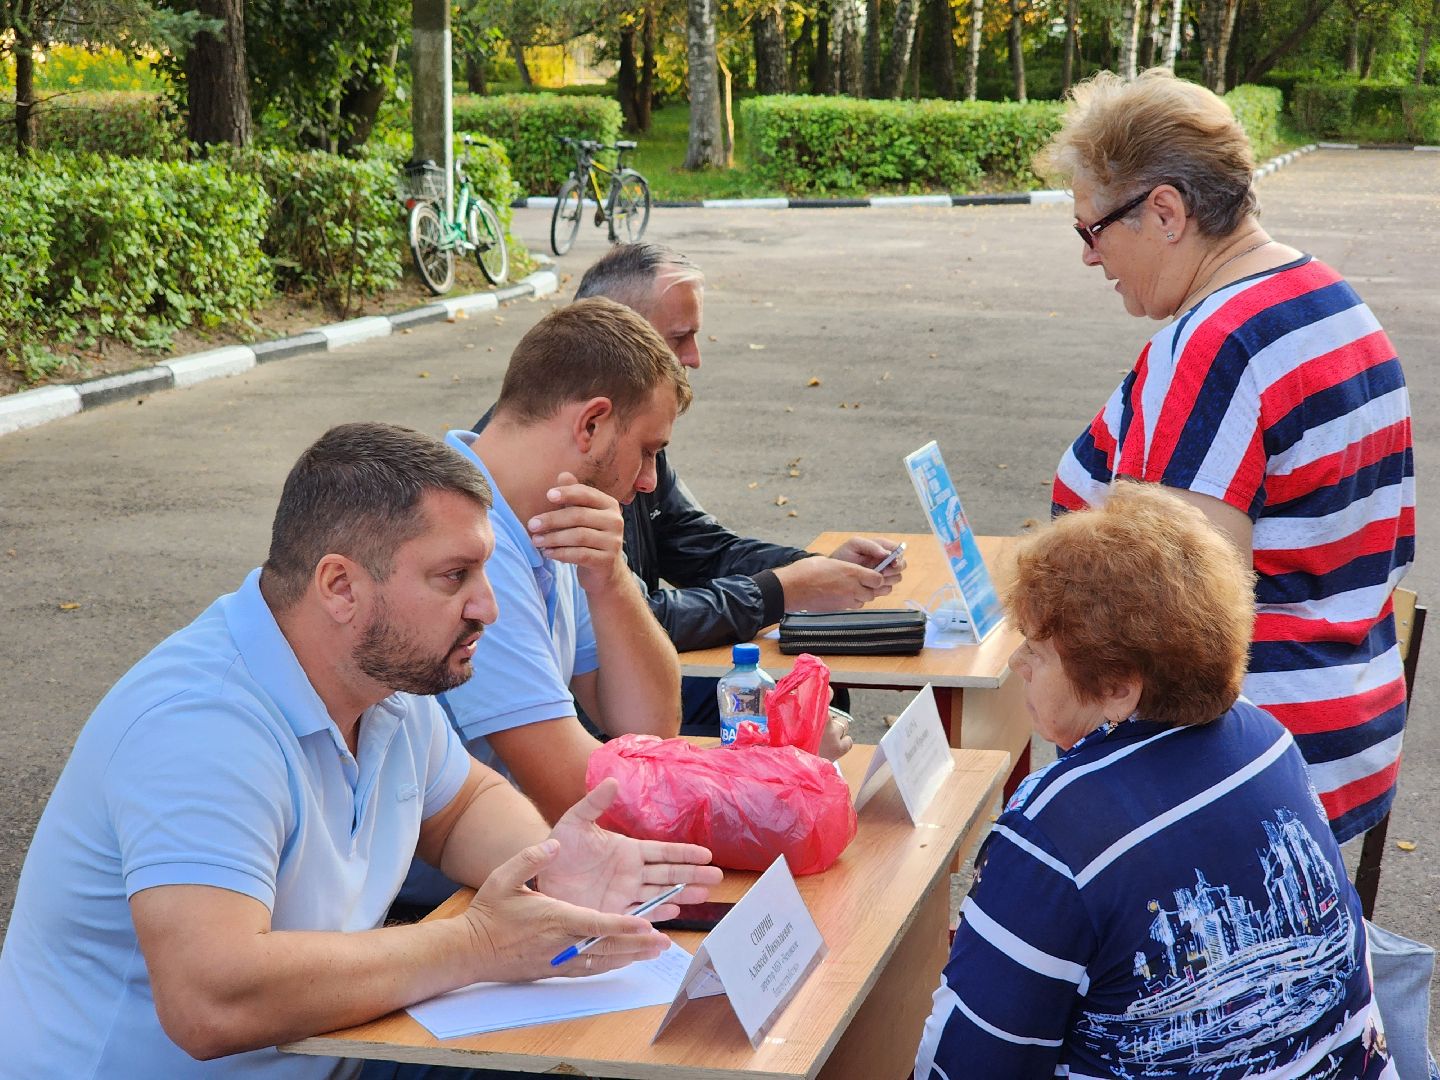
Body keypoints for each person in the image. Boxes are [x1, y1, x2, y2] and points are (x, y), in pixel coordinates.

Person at [0, 422, 720, 1078]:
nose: (487, 607)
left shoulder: (381, 681)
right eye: (453, 576)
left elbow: (463, 803)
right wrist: (476, 945)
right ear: (340, 585)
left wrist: (551, 868)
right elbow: (209, 1001)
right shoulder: (201, 723)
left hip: (328, 1053)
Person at [1039, 69, 1414, 844]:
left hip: (1248, 772)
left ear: (1165, 212)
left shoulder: (1214, 346)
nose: (1088, 257)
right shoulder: (1326, 297)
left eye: (1091, 230)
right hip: (1349, 728)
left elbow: (1177, 629)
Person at [914, 482, 1395, 1079]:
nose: (1018, 664)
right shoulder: (1265, 739)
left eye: (1038, 651)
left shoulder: (1054, 833)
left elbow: (966, 1066)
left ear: (1118, 686)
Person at [486, 241, 903, 735]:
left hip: (609, 714)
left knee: (806, 697)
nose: (694, 357)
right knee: (789, 718)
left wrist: (808, 568)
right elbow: (575, 771)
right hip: (574, 758)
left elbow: (701, 547)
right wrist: (785, 588)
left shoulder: (567, 489)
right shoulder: (506, 524)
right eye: (678, 337)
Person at [427, 297, 692, 837]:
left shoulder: (551, 516)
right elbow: (575, 795)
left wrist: (612, 579)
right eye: (647, 450)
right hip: (435, 902)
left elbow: (650, 727)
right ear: (591, 423)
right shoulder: (461, 536)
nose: (648, 480)